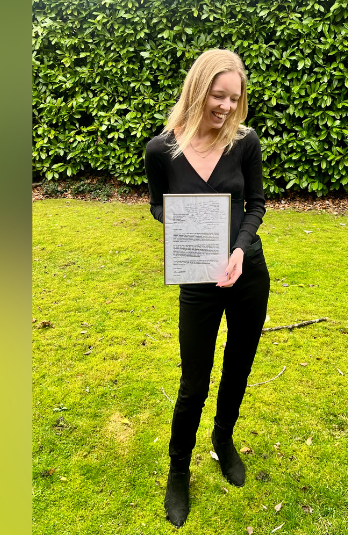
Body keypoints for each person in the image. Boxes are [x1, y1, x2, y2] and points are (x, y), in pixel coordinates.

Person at [144, 49, 270, 528]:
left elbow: (256, 202)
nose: (225, 107)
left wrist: (239, 249)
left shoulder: (245, 141)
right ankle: (179, 470)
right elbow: (159, 206)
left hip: (246, 274)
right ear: (198, 90)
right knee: (193, 381)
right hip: (197, 280)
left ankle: (223, 438)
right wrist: (181, 227)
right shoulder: (162, 149)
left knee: (238, 365)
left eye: (233, 99)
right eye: (218, 95)